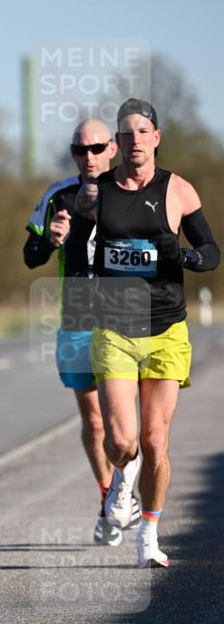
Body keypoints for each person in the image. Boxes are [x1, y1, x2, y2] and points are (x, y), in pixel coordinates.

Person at [75, 98, 219, 567]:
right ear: (115, 143)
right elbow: (77, 245)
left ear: (156, 138)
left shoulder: (178, 190)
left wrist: (186, 258)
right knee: (121, 441)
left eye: (142, 131)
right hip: (115, 327)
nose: (133, 140)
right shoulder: (97, 194)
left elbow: (211, 251)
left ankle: (149, 536)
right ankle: (122, 481)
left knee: (157, 440)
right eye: (125, 133)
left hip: (165, 330)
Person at [23, 119, 140, 546]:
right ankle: (110, 497)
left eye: (96, 148)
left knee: (124, 426)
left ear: (112, 148)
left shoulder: (135, 192)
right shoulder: (58, 196)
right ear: (73, 153)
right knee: (93, 422)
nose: (88, 157)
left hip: (127, 319)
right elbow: (30, 256)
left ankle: (127, 489)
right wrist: (52, 241)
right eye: (79, 149)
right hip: (77, 320)